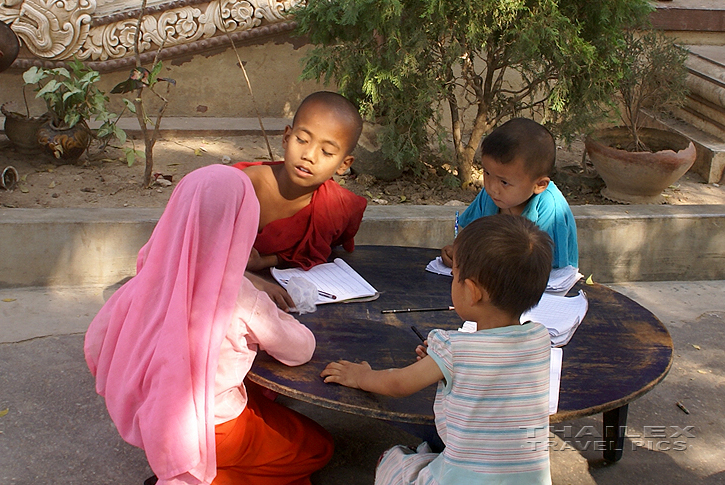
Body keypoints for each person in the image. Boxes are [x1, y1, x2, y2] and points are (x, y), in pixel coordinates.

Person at [84, 165, 333, 485]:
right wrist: (273, 310)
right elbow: (300, 350)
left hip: (151, 417)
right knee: (317, 449)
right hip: (214, 430)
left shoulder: (149, 277)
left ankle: (191, 471)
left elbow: (96, 342)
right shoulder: (239, 295)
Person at [322, 214, 553, 485]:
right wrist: (440, 365)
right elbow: (492, 366)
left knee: (392, 460)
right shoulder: (540, 339)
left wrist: (360, 377)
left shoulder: (453, 347)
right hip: (530, 480)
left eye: (454, 276)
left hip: (461, 480)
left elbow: (399, 384)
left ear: (472, 291)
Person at [235, 91, 368, 310]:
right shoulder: (243, 186)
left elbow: (309, 249)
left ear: (344, 164)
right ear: (286, 138)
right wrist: (252, 281)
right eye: (302, 140)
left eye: (326, 152)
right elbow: (197, 252)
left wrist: (263, 261)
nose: (309, 155)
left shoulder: (335, 206)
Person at [441, 117, 578, 269]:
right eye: (486, 173)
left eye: (504, 182)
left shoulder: (551, 209)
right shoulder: (490, 195)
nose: (491, 187)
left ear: (539, 185)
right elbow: (469, 237)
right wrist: (458, 252)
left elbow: (547, 270)